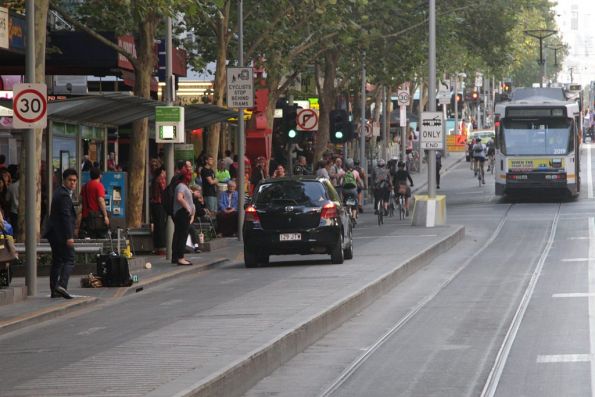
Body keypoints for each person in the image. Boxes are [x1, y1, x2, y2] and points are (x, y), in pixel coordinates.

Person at [43, 168, 78, 299]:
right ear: (64, 180)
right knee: (70, 259)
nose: (73, 183)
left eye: (74, 180)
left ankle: (54, 290)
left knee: (57, 261)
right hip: (61, 235)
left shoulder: (59, 193)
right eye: (70, 180)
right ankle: (62, 285)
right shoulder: (63, 196)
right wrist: (69, 237)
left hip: (54, 233)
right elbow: (65, 217)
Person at [172, 166, 195, 265]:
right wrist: (188, 208)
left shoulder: (183, 186)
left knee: (179, 234)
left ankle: (177, 257)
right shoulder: (181, 186)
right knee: (182, 235)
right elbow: (179, 198)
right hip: (182, 213)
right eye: (189, 175)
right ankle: (180, 257)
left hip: (181, 213)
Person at [80, 167, 110, 238]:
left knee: (89, 238)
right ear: (100, 175)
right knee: (100, 238)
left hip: (86, 217)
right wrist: (105, 216)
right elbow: (101, 200)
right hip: (96, 218)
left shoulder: (84, 186)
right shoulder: (99, 185)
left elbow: (80, 199)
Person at [150, 166, 167, 254]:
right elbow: (164, 190)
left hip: (154, 204)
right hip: (159, 204)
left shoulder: (154, 180)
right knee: (160, 226)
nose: (165, 174)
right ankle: (161, 247)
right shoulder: (160, 180)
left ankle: (157, 247)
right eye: (164, 172)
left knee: (157, 226)